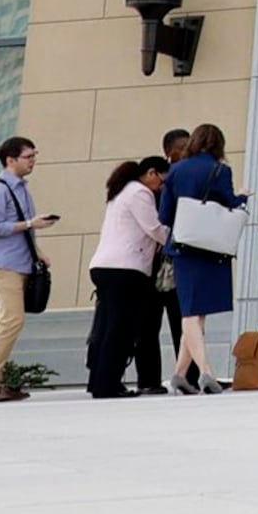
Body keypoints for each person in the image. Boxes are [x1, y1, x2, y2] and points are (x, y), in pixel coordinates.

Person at [159, 123, 242, 393]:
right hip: (212, 246)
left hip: (184, 245)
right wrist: (242, 198)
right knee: (195, 312)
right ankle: (206, 371)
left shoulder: (177, 170)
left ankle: (180, 374)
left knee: (193, 311)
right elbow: (229, 203)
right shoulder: (221, 170)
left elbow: (164, 215)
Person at [0, 137, 54, 403]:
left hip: (19, 263)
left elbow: (19, 228)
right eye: (28, 156)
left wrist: (37, 252)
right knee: (11, 321)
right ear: (11, 159)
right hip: (3, 265)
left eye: (33, 155)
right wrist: (30, 223)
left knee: (1, 323)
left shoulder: (21, 189)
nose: (33, 160)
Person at [83, 156, 169, 398]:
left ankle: (100, 381)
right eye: (162, 181)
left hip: (104, 266)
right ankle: (108, 384)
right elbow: (153, 228)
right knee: (121, 329)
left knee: (108, 326)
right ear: (152, 173)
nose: (161, 188)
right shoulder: (140, 192)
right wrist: (174, 238)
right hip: (126, 268)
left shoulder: (120, 192)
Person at [152, 127, 193, 392]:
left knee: (184, 319)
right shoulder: (162, 181)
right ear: (172, 152)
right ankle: (153, 379)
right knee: (155, 321)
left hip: (174, 255)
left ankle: (188, 372)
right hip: (162, 259)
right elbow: (162, 219)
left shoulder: (179, 177)